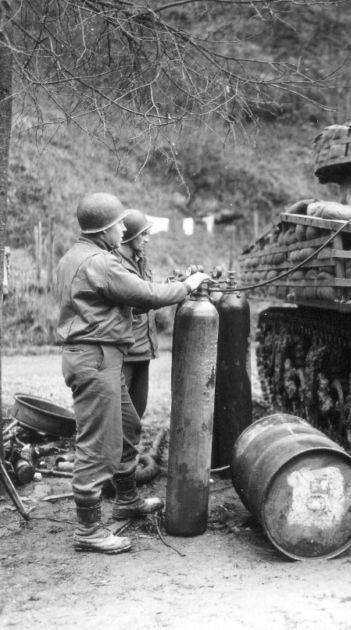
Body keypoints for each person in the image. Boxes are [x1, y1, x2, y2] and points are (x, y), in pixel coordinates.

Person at [56, 192, 210, 554]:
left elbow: (123, 297)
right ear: (104, 229)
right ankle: (88, 529)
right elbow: (146, 295)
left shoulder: (74, 256)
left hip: (100, 357)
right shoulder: (100, 262)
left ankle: (126, 499)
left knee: (128, 426)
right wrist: (188, 286)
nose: (124, 230)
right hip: (95, 359)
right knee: (97, 443)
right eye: (119, 225)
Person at [114, 209, 157, 419]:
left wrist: (172, 284)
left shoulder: (141, 260)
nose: (147, 239)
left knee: (138, 411)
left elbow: (150, 290)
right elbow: (144, 298)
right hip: (125, 352)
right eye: (143, 234)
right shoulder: (116, 265)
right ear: (129, 235)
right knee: (120, 415)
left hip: (143, 350)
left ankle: (131, 443)